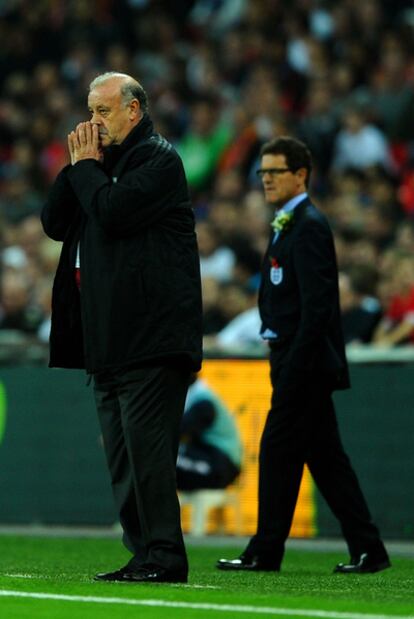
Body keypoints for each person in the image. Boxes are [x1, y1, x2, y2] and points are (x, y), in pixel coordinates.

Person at [41, 72, 203, 584]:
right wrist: (77, 167)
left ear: (134, 110)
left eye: (103, 112)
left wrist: (88, 168)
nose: (93, 122)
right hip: (109, 340)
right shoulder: (98, 165)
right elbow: (52, 222)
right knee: (123, 459)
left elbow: (112, 213)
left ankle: (166, 556)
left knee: (149, 454)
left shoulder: (159, 159)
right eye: (90, 112)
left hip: (151, 338)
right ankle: (144, 552)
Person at [217, 137, 390, 574]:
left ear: (301, 175)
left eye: (275, 172)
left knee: (277, 451)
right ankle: (368, 548)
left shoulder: (308, 225)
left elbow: (318, 307)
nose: (267, 180)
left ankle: (265, 549)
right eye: (263, 172)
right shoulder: (290, 223)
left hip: (303, 363)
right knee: (326, 460)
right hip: (293, 358)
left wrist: (294, 365)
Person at [176, 374, 242, 492]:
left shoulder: (203, 400)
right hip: (211, 458)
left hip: (221, 464)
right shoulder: (196, 394)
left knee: (161, 463)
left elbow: (178, 432)